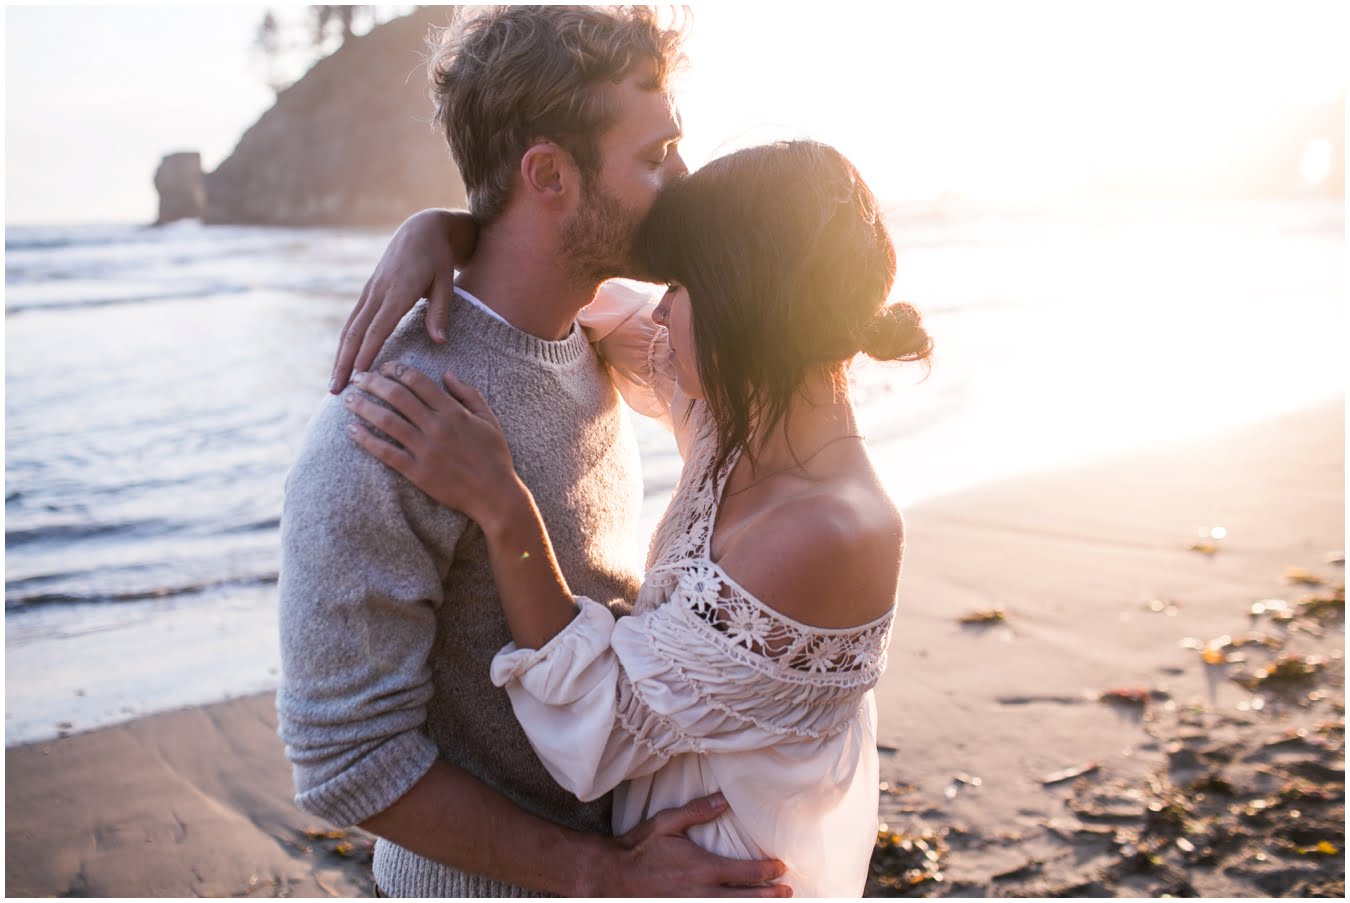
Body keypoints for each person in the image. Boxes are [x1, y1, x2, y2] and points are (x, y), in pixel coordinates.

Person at [277, 6, 790, 897]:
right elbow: (344, 759)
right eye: (656, 156)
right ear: (548, 173)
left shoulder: (594, 329)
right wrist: (598, 874)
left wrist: (450, 225)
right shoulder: (396, 425)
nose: (685, 179)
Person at [340, 139, 933, 896]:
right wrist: (442, 231)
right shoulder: (743, 417)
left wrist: (502, 503)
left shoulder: (827, 532)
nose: (659, 307)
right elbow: (573, 291)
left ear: (744, 304)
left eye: (681, 285)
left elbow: (597, 728)